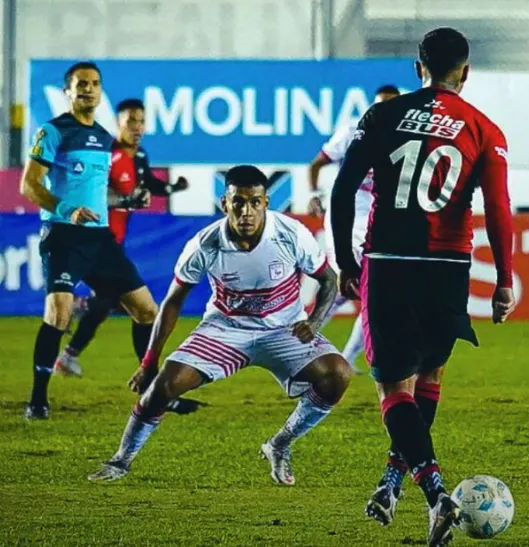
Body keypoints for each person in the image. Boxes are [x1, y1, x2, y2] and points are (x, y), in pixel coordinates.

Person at [330, 27, 515, 547]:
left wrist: (345, 260)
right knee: (429, 374)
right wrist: (504, 280)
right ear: (466, 71)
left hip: (389, 263)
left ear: (418, 68)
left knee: (393, 388)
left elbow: (343, 190)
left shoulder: (382, 115)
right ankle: (391, 483)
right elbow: (498, 209)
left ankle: (436, 495)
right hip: (448, 266)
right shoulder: (484, 128)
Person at [87, 165, 350, 485]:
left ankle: (280, 444)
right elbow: (173, 302)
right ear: (225, 203)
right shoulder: (205, 244)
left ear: (266, 202)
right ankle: (120, 460)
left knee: (338, 374)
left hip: (284, 328)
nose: (246, 211)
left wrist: (315, 321)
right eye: (238, 202)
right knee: (164, 386)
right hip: (226, 329)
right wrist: (148, 363)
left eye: (254, 202)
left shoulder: (291, 233)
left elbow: (328, 279)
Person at [20, 61, 161, 420]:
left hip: (100, 239)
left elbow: (103, 193)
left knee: (147, 310)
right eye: (81, 84)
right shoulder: (53, 131)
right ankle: (38, 400)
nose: (88, 89)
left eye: (95, 84)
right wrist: (66, 209)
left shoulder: (103, 138)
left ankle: (152, 391)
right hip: (63, 235)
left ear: (100, 91)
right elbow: (29, 185)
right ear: (67, 91)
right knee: (59, 314)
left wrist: (131, 200)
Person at [54, 99, 198, 415]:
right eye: (131, 120)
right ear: (118, 123)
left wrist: (171, 188)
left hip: (112, 243)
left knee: (123, 304)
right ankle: (151, 387)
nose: (137, 127)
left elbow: (148, 185)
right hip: (93, 239)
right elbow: (92, 192)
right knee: (137, 307)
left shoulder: (140, 156)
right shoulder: (106, 153)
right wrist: (125, 199)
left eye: (141, 121)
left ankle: (74, 338)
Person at [307, 84, 402, 372]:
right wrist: (315, 194)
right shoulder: (352, 132)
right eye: (381, 105)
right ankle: (301, 348)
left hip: (379, 221)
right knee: (354, 287)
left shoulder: (405, 138)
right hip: (346, 217)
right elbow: (316, 164)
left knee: (372, 294)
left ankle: (342, 356)